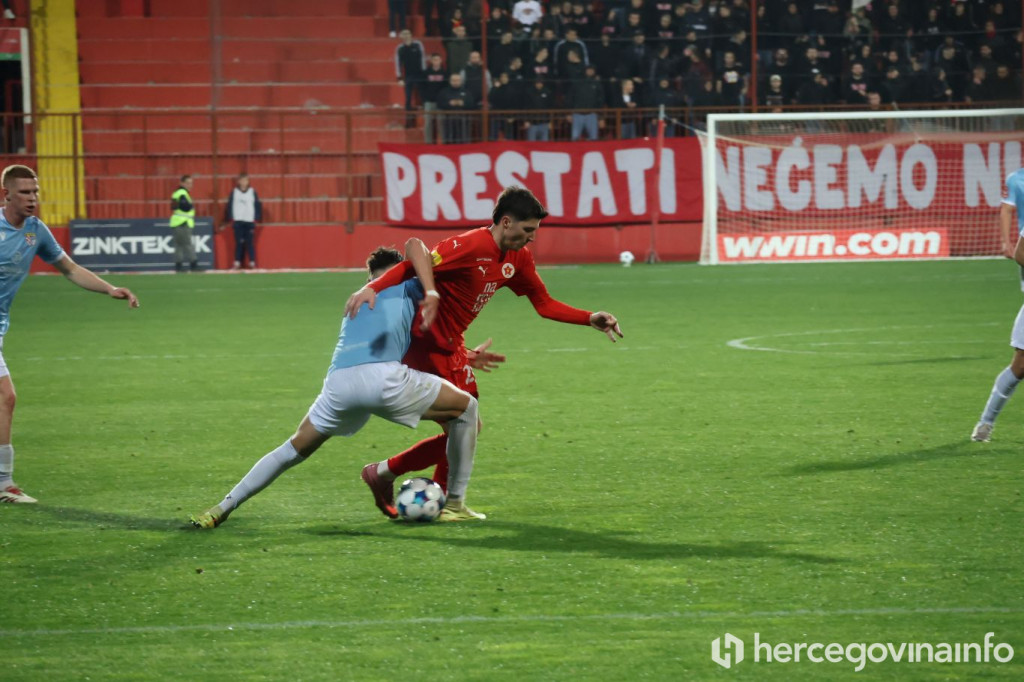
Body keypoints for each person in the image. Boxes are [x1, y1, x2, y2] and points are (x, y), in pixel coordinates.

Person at [347, 186, 622, 517]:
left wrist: (589, 318)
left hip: (452, 346)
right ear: (506, 222)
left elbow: (544, 303)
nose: (532, 237)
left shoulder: (519, 258)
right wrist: (373, 287)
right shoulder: (470, 245)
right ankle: (438, 497)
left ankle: (396, 478)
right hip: (425, 344)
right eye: (528, 229)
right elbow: (410, 265)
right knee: (463, 425)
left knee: (466, 427)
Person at [190, 244, 485, 527]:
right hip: (383, 379)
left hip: (340, 383)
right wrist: (427, 286)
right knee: (467, 409)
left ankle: (221, 508)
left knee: (291, 450)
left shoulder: (360, 297)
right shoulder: (408, 286)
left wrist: (465, 353)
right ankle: (453, 504)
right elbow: (415, 246)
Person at [0, 165, 139, 503]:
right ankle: (4, 483)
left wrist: (109, 288)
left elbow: (70, 268)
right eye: (24, 192)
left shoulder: (35, 231)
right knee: (6, 397)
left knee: (5, 398)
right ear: (6, 195)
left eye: (35, 192)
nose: (32, 198)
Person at [972, 167, 1024, 443]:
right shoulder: (1016, 179)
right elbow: (1021, 252)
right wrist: (1006, 243)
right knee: (1021, 365)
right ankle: (986, 422)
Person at [221, 172, 262, 270]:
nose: (244, 182)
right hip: (238, 221)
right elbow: (230, 205)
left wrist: (256, 219)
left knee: (250, 243)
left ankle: (252, 262)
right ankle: (237, 262)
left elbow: (257, 205)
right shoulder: (234, 192)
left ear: (248, 182)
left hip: (249, 221)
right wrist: (231, 218)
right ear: (239, 181)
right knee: (238, 243)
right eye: (242, 180)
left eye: (246, 180)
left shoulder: (252, 192)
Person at [395, 29, 426, 124]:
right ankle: (409, 120)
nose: (406, 35)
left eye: (408, 33)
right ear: (401, 36)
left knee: (423, 96)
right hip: (408, 76)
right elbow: (398, 63)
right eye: (404, 34)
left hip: (419, 75)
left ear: (411, 35)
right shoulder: (400, 48)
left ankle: (426, 117)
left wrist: (424, 73)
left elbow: (423, 58)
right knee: (408, 98)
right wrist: (399, 78)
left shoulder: (418, 44)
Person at [170, 174, 199, 272]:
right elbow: (185, 207)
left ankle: (178, 266)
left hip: (177, 222)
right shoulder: (182, 193)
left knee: (178, 245)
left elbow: (173, 206)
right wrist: (190, 205)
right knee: (187, 244)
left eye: (191, 183)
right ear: (182, 183)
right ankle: (193, 264)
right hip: (183, 222)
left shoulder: (177, 193)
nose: (190, 185)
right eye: (187, 183)